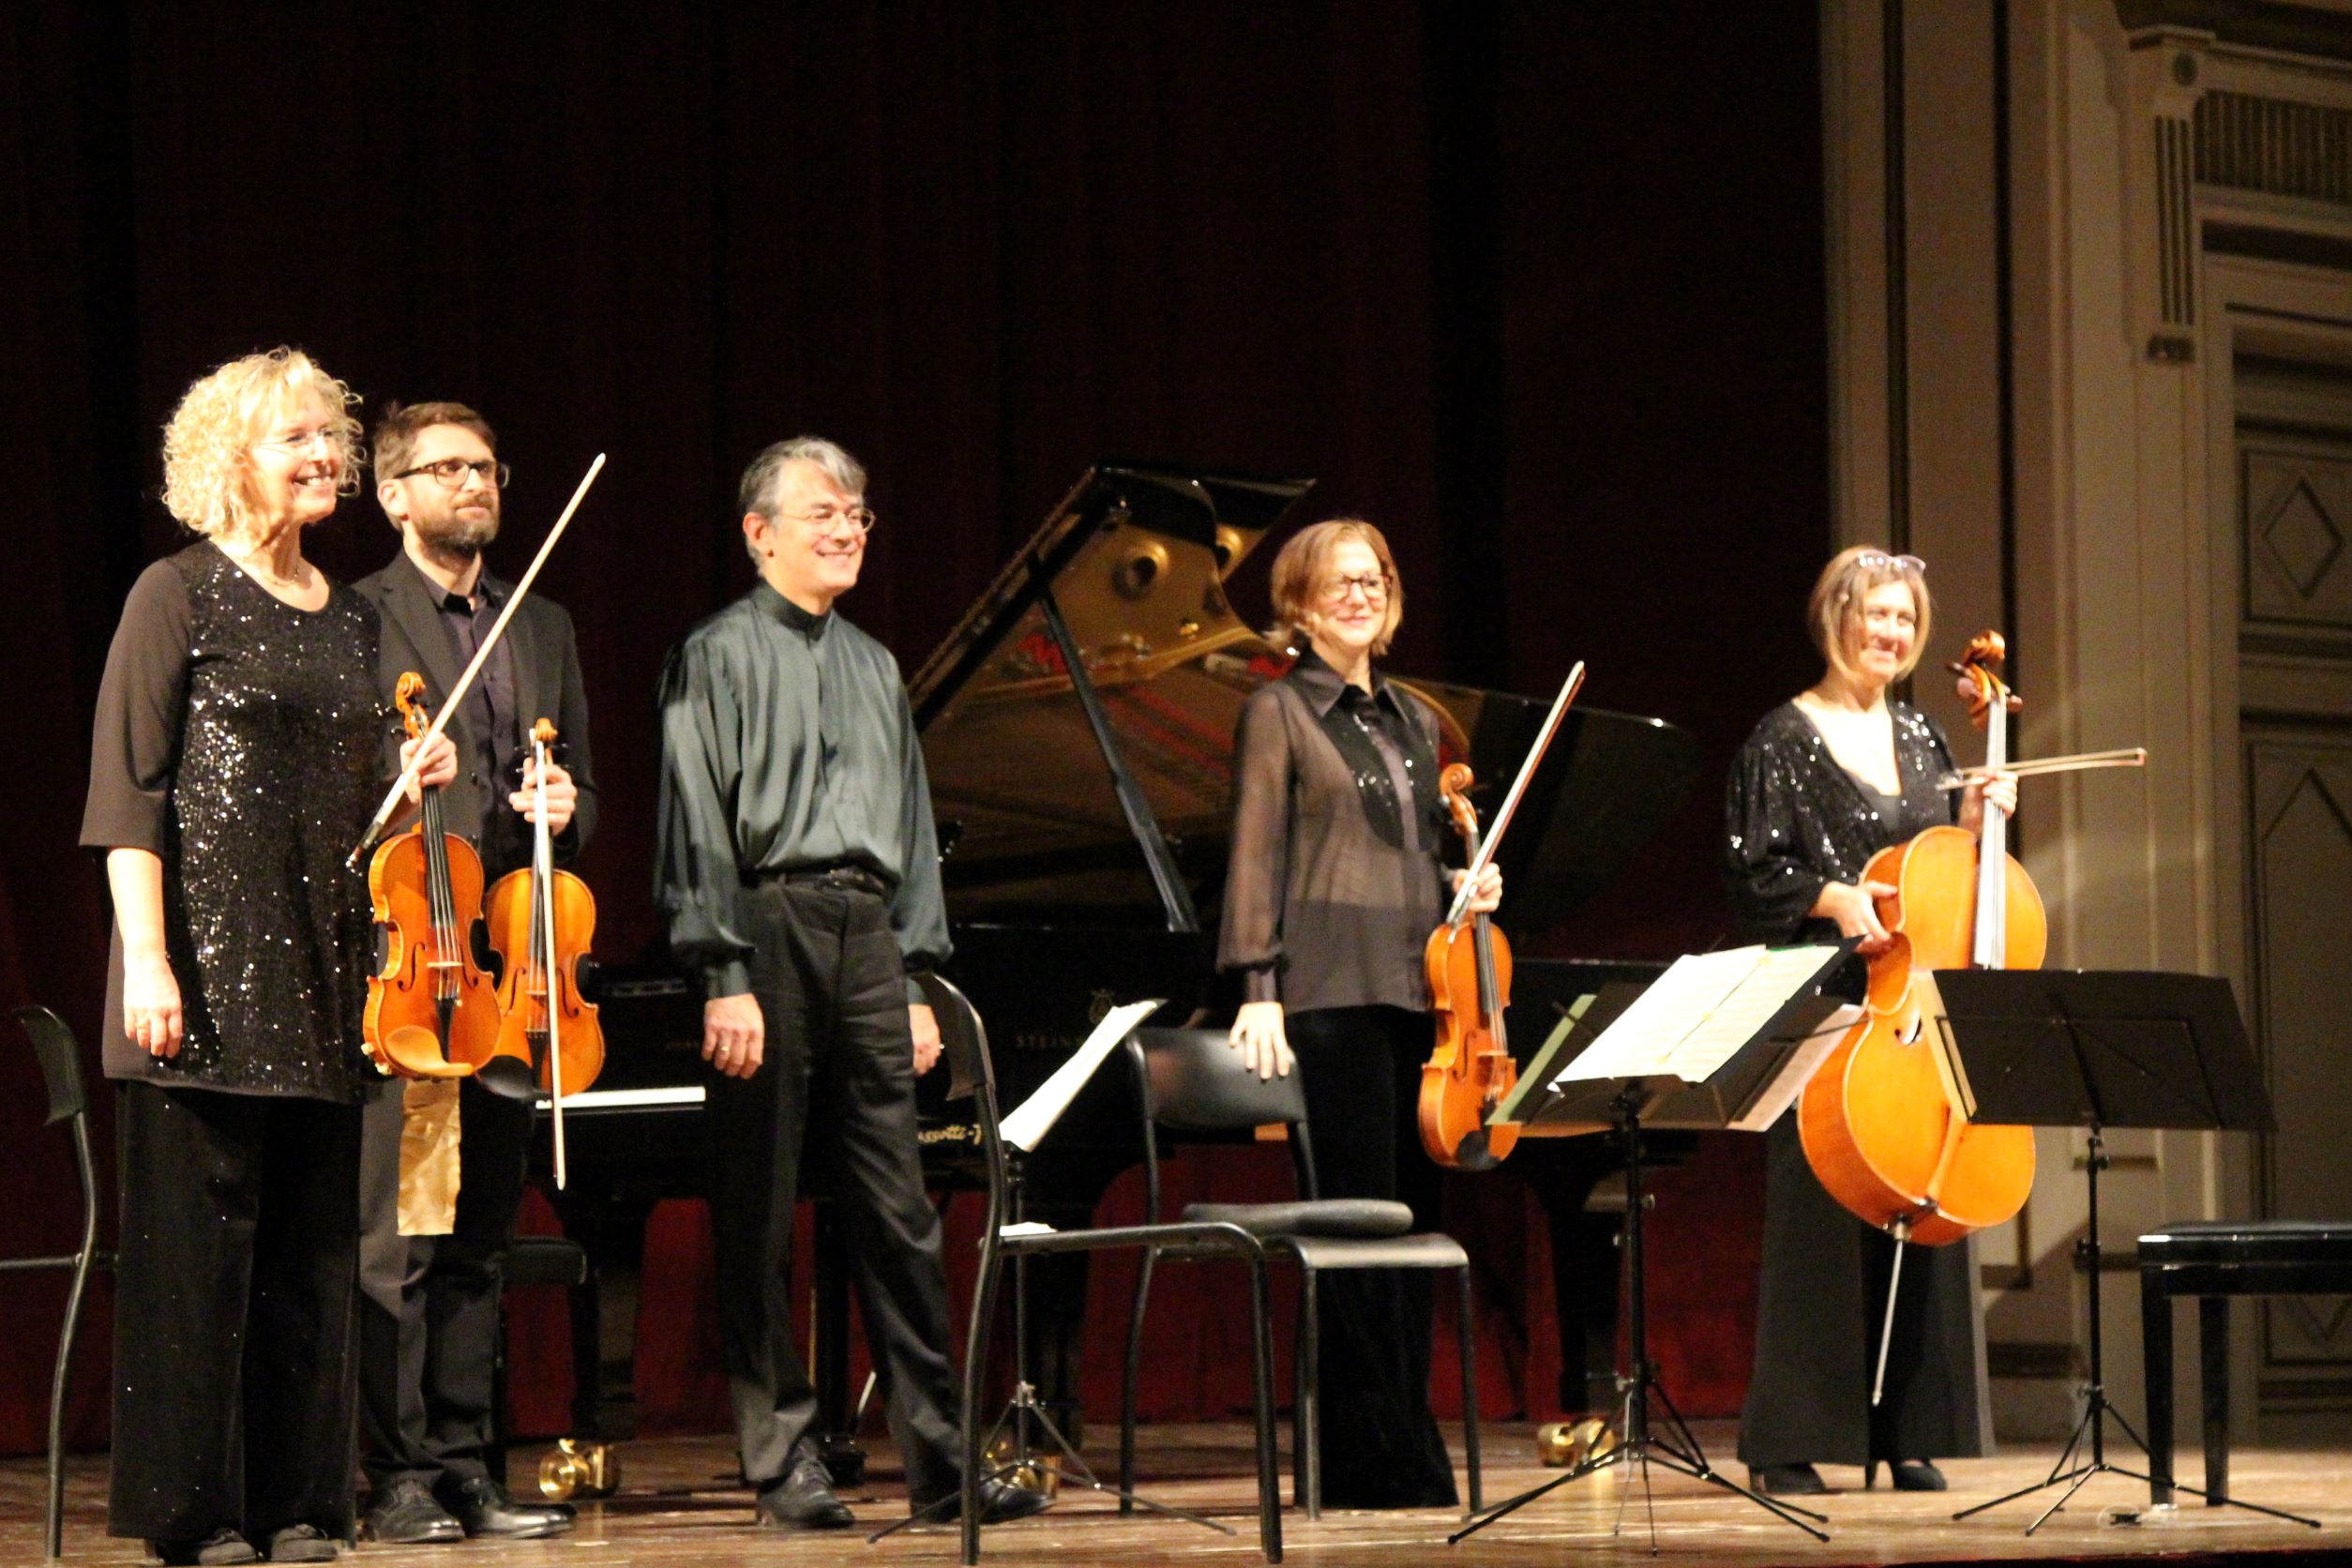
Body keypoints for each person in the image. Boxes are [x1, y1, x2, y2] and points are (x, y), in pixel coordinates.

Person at [82, 349, 456, 1567]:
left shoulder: (354, 620)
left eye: (329, 437)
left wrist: (409, 793)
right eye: (294, 437)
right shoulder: (174, 595)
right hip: (200, 976)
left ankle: (301, 1505)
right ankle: (200, 1515)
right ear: (226, 459)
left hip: (323, 977)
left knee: (308, 1265)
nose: (323, 457)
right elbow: (127, 804)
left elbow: (355, 825)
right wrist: (148, 964)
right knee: (204, 1271)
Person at [654, 436, 1050, 1530]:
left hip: (869, 934)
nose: (846, 530)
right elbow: (695, 819)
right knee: (761, 1205)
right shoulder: (715, 653)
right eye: (824, 512)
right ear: (760, 531)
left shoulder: (876, 663)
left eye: (859, 516)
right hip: (765, 928)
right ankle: (783, 1460)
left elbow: (914, 834)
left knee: (901, 1209)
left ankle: (942, 1463)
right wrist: (721, 968)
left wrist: (918, 976)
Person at [1218, 518, 1500, 1510]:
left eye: (1374, 576)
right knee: (1357, 1235)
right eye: (1336, 581)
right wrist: (1259, 990)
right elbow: (1255, 852)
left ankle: (1396, 1443)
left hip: (1419, 999)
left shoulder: (1417, 722)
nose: (1359, 593)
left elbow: (1415, 853)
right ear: (1297, 600)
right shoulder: (1277, 711)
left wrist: (1470, 882)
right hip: (1330, 996)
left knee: (1415, 1230)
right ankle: (1371, 1455)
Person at [352, 401, 596, 1544]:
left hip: (506, 960)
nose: (474, 484)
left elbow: (582, 788)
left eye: (486, 467)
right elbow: (336, 807)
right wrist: (394, 779)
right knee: (398, 1233)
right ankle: (390, 1469)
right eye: (446, 468)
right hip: (412, 957)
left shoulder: (541, 621)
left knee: (478, 1239)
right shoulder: (357, 618)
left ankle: (463, 1462)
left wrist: (567, 804)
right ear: (394, 494)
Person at [1725, 546, 2017, 1496]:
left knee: (1920, 1198)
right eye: (1874, 616)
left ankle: (1908, 1429)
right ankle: (1789, 1437)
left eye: (1904, 621)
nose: (1888, 634)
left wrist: (1981, 821)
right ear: (1836, 620)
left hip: (1911, 1003)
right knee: (1818, 1216)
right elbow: (1756, 874)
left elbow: (1942, 877)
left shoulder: (1928, 738)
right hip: (1828, 996)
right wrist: (1831, 896)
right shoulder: (1782, 737)